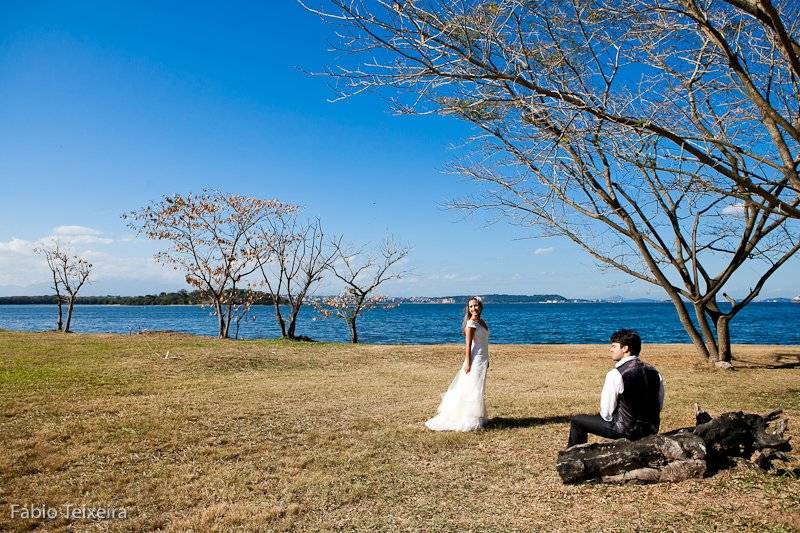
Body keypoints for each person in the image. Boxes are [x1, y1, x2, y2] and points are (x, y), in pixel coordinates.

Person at [567, 329, 664, 448]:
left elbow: (606, 413)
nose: (610, 349)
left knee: (577, 421)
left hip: (625, 430)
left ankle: (573, 458)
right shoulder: (654, 372)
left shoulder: (616, 374)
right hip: (651, 428)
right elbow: (658, 405)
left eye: (614, 346)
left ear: (625, 349)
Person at [425, 297, 489, 431]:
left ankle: (478, 416)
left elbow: (483, 343)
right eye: (471, 307)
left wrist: (487, 360)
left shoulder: (482, 322)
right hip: (474, 360)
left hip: (482, 359)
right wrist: (468, 362)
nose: (473, 309)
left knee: (479, 387)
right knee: (472, 389)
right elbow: (468, 345)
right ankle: (469, 418)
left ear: (480, 307)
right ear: (468, 309)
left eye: (476, 306)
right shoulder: (471, 324)